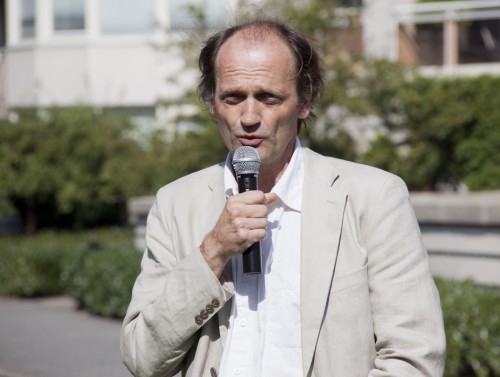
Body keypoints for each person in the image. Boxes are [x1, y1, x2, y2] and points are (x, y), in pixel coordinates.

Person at [121, 19, 446, 377]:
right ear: (212, 104)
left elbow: (413, 357)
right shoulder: (175, 205)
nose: (248, 117)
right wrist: (213, 251)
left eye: (268, 97)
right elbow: (142, 359)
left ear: (303, 103)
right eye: (232, 97)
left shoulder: (373, 197)